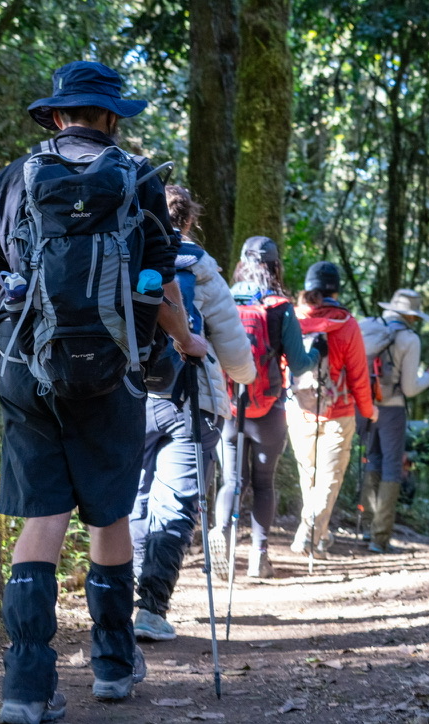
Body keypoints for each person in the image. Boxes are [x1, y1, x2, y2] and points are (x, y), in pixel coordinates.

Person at [0, 61, 207, 724]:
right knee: (108, 514)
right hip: (114, 372)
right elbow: (161, 282)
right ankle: (112, 665)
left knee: (42, 517)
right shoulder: (139, 178)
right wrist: (187, 342)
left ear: (56, 115)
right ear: (112, 118)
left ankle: (25, 688)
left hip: (29, 372)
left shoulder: (12, 179)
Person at [130, 185, 255, 642]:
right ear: (188, 221)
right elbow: (237, 358)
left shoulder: (126, 257)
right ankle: (151, 608)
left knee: (136, 499)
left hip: (132, 397)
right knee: (177, 502)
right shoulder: (200, 268)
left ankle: (126, 596)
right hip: (190, 400)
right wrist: (245, 374)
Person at [210, 236, 321, 579]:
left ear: (241, 264)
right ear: (275, 267)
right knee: (263, 483)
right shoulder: (281, 308)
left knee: (231, 480)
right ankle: (259, 557)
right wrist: (318, 351)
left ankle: (222, 538)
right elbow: (300, 364)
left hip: (228, 406)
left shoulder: (222, 298)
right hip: (268, 409)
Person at [287, 261, 377, 557]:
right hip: (338, 411)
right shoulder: (346, 324)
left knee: (309, 479)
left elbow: (285, 364)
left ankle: (318, 535)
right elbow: (359, 375)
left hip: (299, 409)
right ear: (336, 291)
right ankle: (308, 536)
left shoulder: (293, 319)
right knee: (328, 480)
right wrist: (368, 410)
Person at [359, 289, 429, 553]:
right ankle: (380, 537)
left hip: (364, 405)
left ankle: (367, 526)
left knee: (372, 460)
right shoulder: (409, 339)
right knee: (392, 468)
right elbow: (409, 388)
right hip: (391, 409)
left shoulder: (367, 326)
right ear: (411, 315)